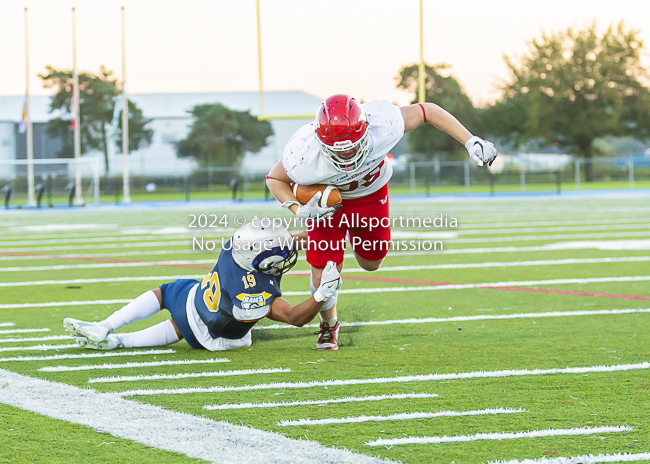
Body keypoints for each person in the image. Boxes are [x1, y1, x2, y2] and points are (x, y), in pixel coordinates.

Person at [265, 94, 498, 350]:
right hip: (327, 207)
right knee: (324, 275)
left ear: (366, 131)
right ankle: (329, 323)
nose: (348, 155)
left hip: (371, 197)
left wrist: (470, 140)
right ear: (322, 143)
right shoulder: (303, 152)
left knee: (371, 263)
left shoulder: (383, 122)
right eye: (339, 150)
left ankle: (323, 238)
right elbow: (274, 179)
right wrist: (299, 211)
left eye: (352, 146)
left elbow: (427, 111)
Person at [63, 223, 342, 351]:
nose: (285, 255)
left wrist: (325, 233)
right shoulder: (253, 289)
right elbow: (294, 317)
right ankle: (118, 341)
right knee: (180, 325)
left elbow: (279, 243)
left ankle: (107, 325)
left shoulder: (236, 247)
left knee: (167, 292)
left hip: (198, 298)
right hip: (215, 333)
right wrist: (321, 294)